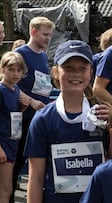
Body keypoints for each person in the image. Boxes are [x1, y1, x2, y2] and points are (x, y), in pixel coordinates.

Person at [24, 40, 110, 203]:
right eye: (68, 68)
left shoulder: (102, 113)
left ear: (91, 72)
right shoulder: (43, 119)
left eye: (82, 68)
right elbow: (36, 177)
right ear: (55, 72)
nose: (76, 74)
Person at [11, 16, 55, 202]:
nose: (47, 39)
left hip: (40, 115)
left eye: (50, 35)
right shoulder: (21, 54)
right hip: (23, 116)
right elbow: (10, 84)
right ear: (33, 32)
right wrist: (31, 101)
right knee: (17, 160)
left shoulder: (43, 55)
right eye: (44, 35)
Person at [0, 51, 29, 202]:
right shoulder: (1, 90)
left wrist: (22, 108)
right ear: (2, 69)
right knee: (6, 190)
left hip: (12, 143)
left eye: (19, 70)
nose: (15, 74)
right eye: (11, 69)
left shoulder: (16, 89)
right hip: (3, 145)